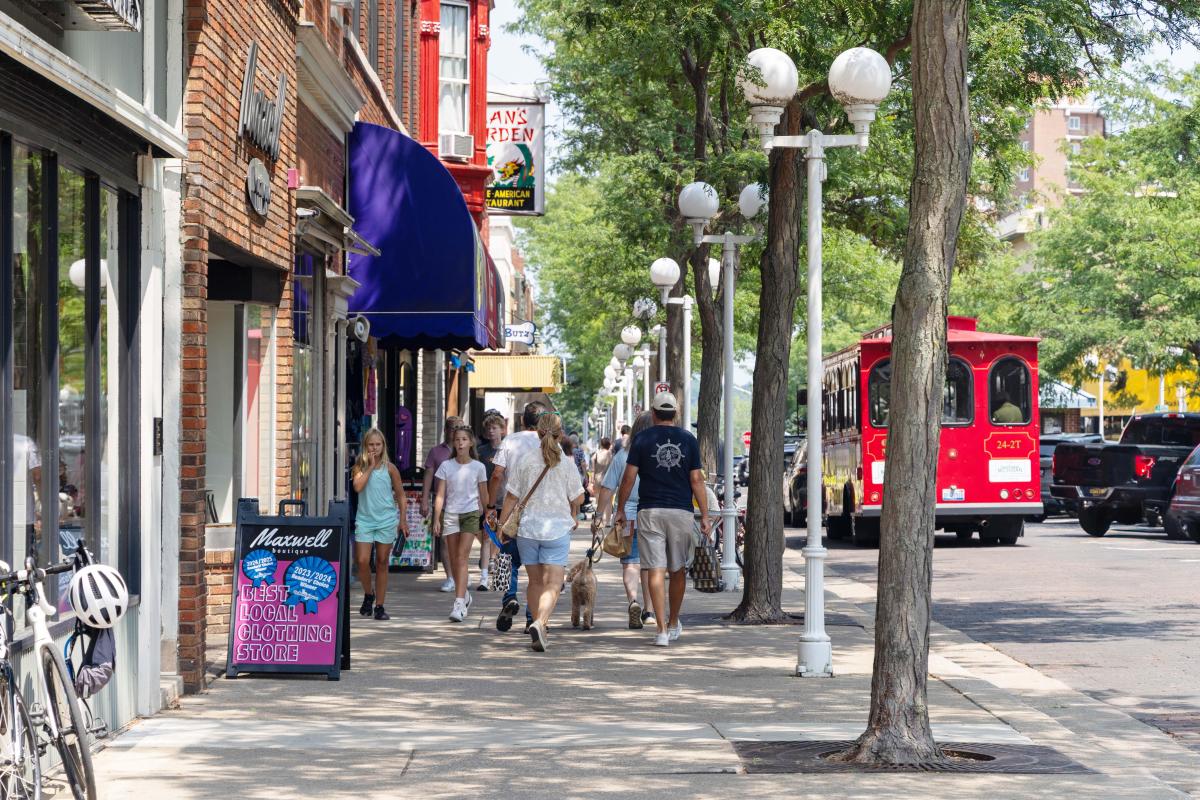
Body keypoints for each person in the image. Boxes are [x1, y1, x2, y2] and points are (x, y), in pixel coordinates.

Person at [615, 391, 710, 647]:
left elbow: (628, 478)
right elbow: (696, 480)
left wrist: (620, 508)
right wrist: (705, 515)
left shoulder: (642, 439)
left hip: (650, 511)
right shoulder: (688, 439)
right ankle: (673, 620)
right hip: (681, 511)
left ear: (654, 413)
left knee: (655, 569)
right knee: (677, 569)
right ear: (675, 414)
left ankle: (660, 631)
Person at [498, 411, 583, 652]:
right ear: (560, 433)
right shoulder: (566, 463)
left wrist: (502, 526)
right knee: (553, 584)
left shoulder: (526, 460)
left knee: (534, 582)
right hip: (556, 530)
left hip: (528, 530)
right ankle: (540, 622)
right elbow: (578, 496)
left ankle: (538, 628)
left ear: (538, 432)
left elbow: (511, 496)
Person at [486, 401, 547, 632]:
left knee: (505, 559)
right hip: (542, 513)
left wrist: (491, 505)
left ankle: (508, 598)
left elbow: (497, 474)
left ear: (522, 420)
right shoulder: (549, 443)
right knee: (536, 567)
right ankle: (532, 617)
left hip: (511, 509)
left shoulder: (510, 441)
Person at [595, 412, 654, 629]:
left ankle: (633, 601)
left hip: (627, 514)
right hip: (653, 514)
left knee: (630, 562)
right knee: (650, 564)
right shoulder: (658, 455)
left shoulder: (622, 456)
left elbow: (607, 488)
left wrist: (599, 515)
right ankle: (649, 611)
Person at [432, 426, 489, 622]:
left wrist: (488, 512)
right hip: (450, 514)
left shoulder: (478, 467)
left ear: (471, 442)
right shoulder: (446, 466)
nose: (460, 443)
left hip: (470, 514)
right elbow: (440, 495)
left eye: (464, 439)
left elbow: (484, 493)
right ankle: (464, 594)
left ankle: (458, 604)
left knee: (462, 557)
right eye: (457, 440)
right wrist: (436, 519)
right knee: (455, 559)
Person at [351, 428, 408, 621]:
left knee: (382, 562)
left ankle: (380, 606)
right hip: (365, 520)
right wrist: (369, 466)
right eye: (371, 445)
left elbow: (401, 495)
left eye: (378, 444)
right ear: (365, 446)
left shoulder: (390, 468)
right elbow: (358, 487)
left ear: (383, 445)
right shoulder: (359, 466)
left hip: (386, 520)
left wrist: (403, 520)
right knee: (362, 560)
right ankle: (368, 594)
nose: (374, 448)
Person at [421, 415, 463, 592]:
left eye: (458, 428)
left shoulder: (466, 450)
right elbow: (428, 476)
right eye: (452, 428)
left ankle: (461, 575)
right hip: (443, 503)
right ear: (445, 430)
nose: (455, 432)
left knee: (462, 543)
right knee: (445, 541)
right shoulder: (436, 452)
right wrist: (424, 500)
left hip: (465, 504)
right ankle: (450, 578)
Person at [475, 412, 508, 589]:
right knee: (487, 535)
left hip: (505, 499)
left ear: (502, 430)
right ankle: (484, 577)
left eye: (495, 428)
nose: (491, 431)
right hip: (486, 499)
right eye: (488, 428)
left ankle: (499, 573)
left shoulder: (508, 449)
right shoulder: (481, 452)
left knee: (503, 536)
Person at [590, 437, 613, 505]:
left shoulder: (597, 453)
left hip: (597, 478)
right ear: (609, 445)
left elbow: (592, 460)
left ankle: (598, 513)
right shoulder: (610, 454)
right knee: (606, 500)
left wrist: (592, 479)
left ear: (601, 444)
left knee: (597, 498)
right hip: (607, 479)